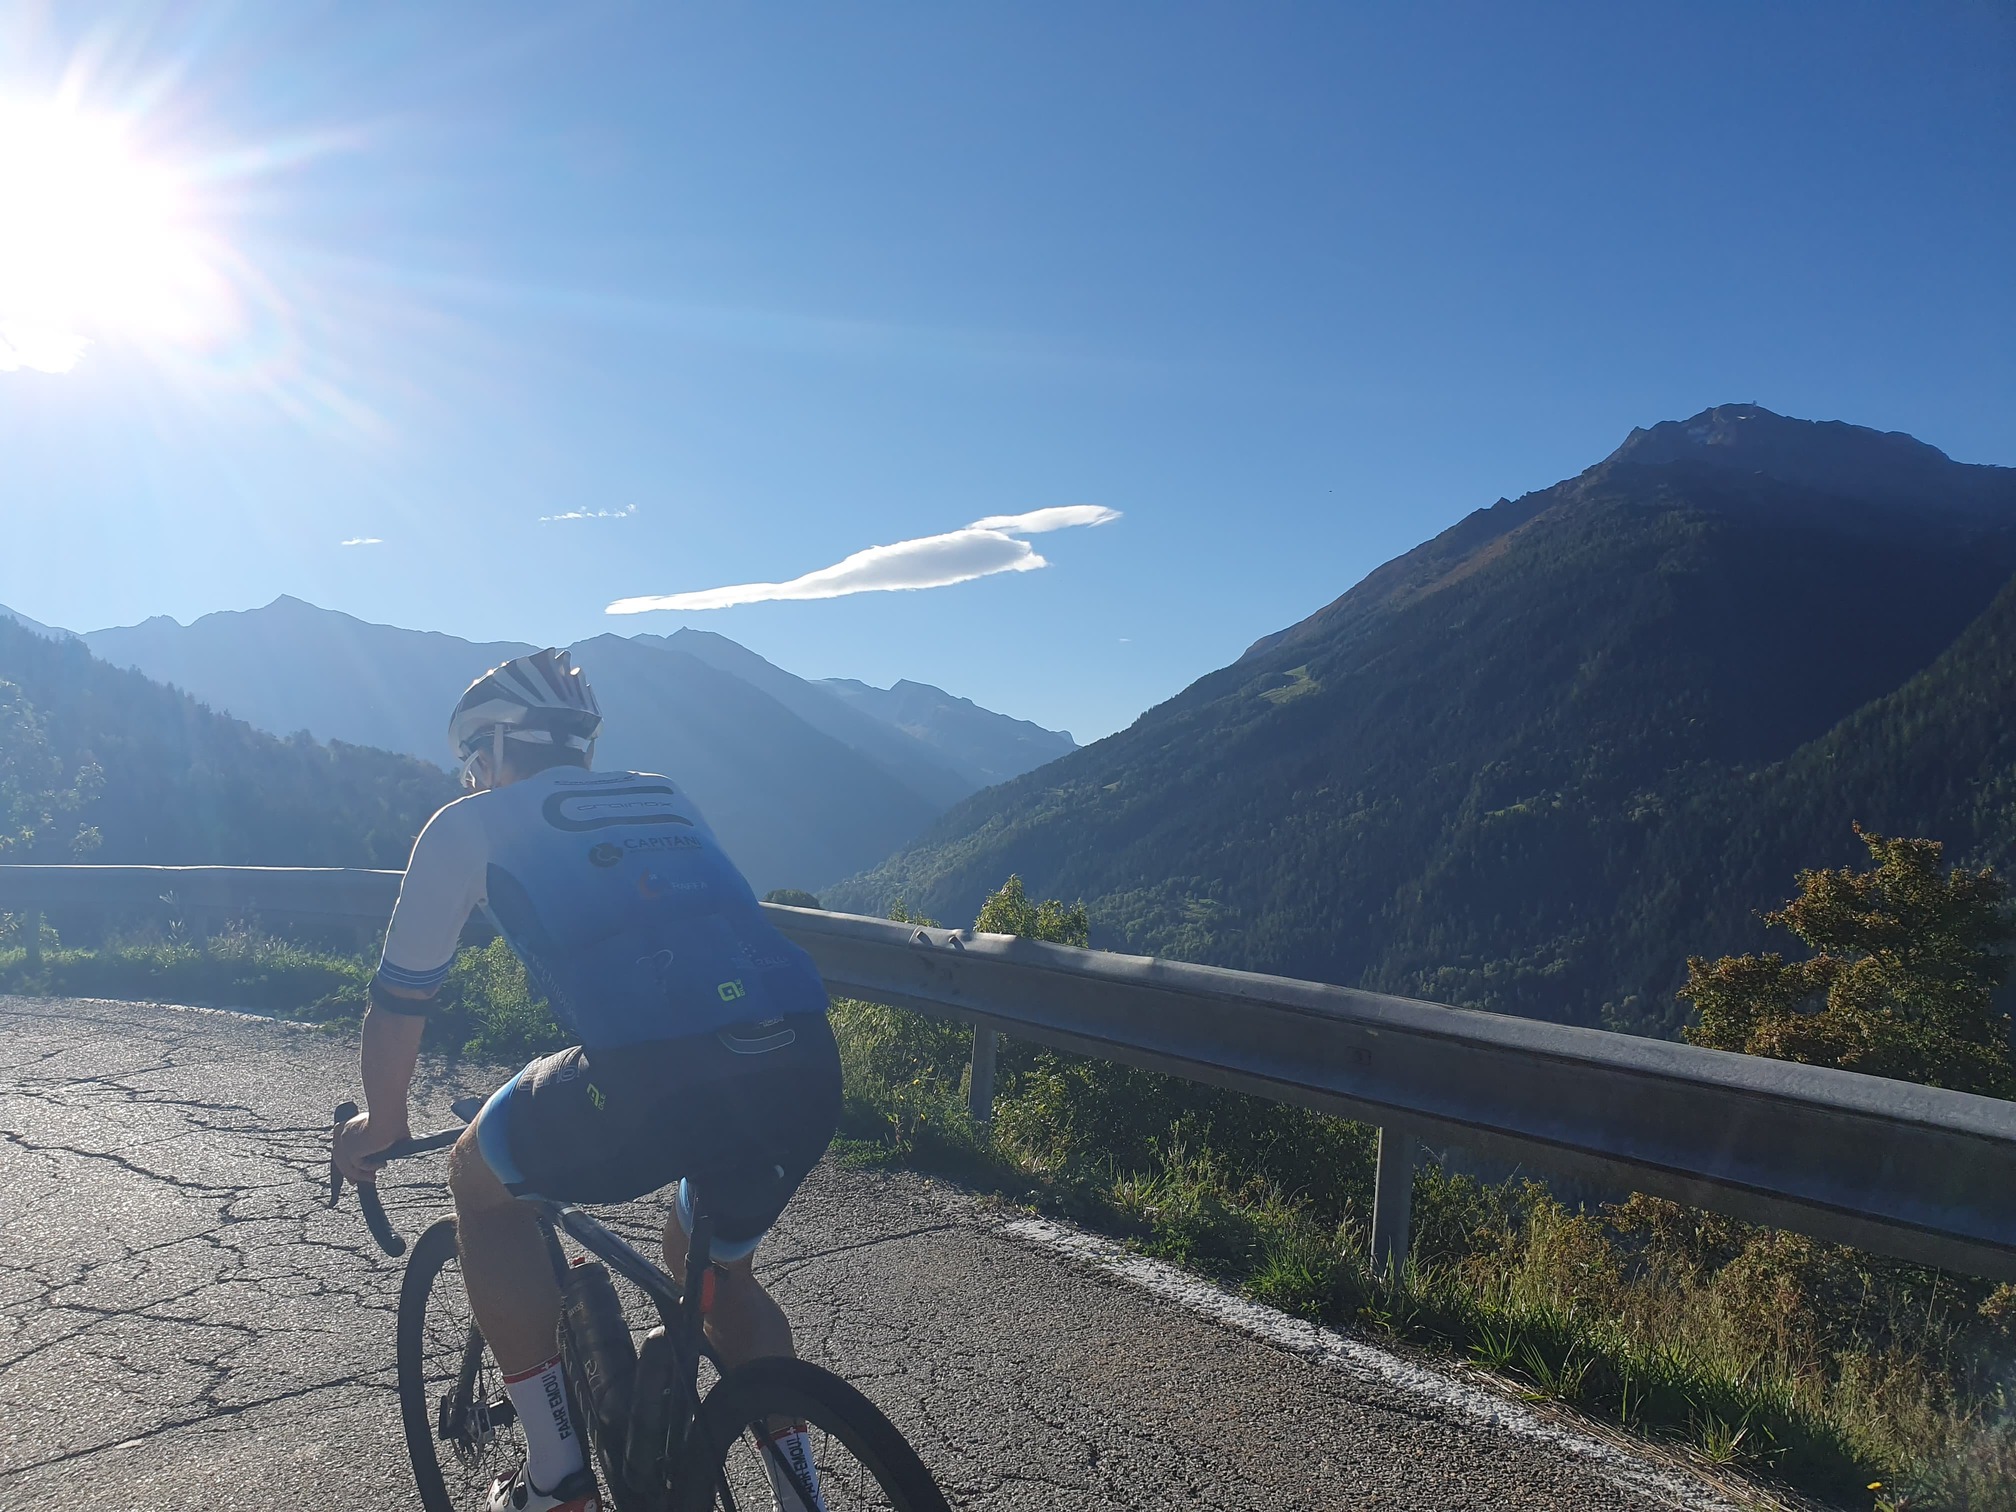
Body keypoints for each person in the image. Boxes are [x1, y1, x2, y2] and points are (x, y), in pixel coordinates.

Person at [333, 649, 841, 1512]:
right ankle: (805, 1500)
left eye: (473, 760)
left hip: (651, 1075)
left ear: (497, 748)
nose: (473, 778)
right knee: (720, 1279)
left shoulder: (469, 823)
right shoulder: (664, 795)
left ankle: (556, 1481)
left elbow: (398, 1004)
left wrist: (380, 1124)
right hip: (801, 1061)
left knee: (477, 1182)